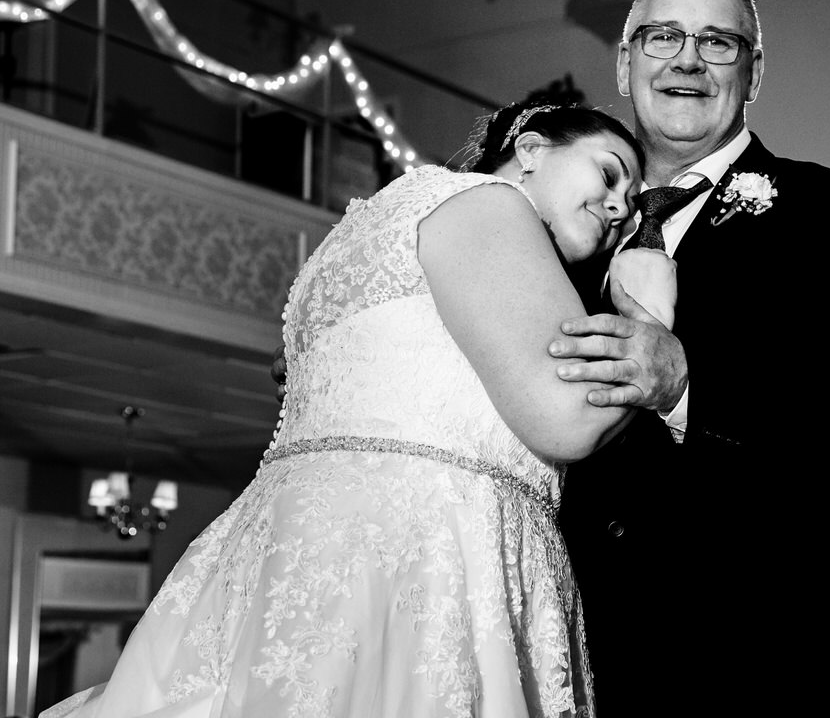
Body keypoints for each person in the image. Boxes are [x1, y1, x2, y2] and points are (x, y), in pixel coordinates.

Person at [40, 103, 661, 718]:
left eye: (631, 203)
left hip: (305, 552)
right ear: (530, 150)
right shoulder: (488, 205)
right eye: (609, 175)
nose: (619, 208)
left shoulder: (382, 222)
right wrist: (653, 327)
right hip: (426, 560)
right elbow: (567, 417)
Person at [548, 0, 830, 714]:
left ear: (753, 72)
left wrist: (689, 384)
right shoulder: (559, 239)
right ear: (624, 63)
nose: (687, 60)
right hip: (591, 667)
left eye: (718, 42)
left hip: (774, 665)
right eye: (663, 37)